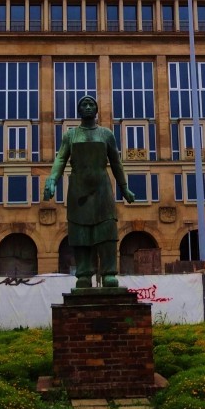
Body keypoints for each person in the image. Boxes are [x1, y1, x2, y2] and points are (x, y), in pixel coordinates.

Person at [43, 95, 135, 289]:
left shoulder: (106, 134)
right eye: (83, 104)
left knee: (107, 230)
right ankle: (83, 274)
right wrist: (52, 179)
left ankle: (109, 273)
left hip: (102, 188)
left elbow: (116, 163)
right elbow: (60, 159)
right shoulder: (70, 135)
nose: (87, 107)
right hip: (79, 190)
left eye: (90, 104)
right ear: (78, 110)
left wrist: (124, 187)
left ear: (96, 109)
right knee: (80, 233)